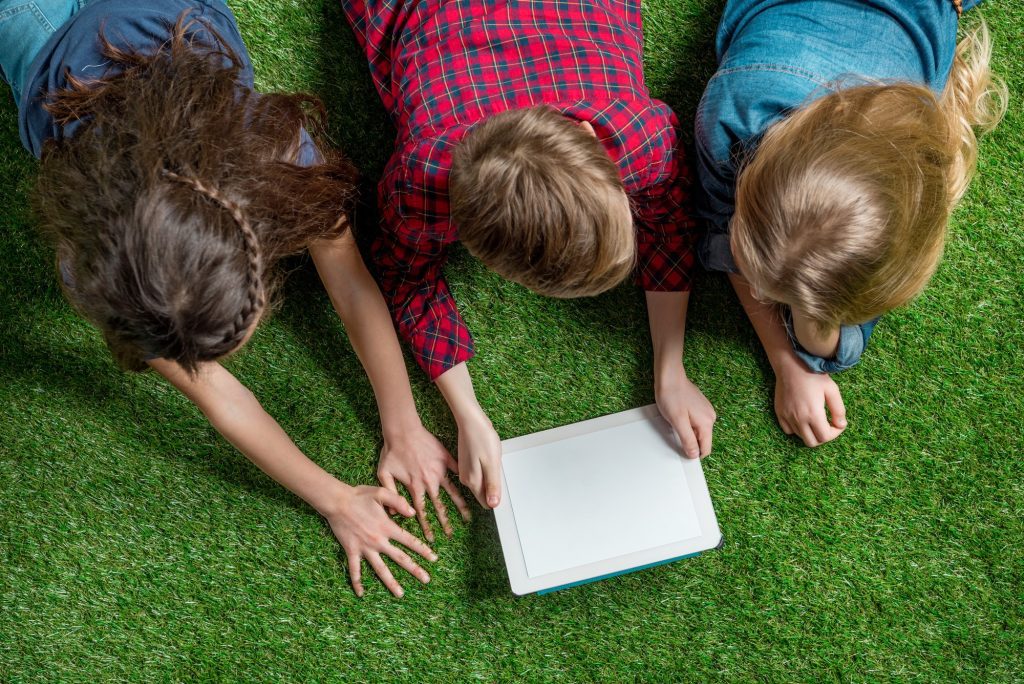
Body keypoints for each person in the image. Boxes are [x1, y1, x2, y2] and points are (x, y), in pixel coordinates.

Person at [1, 0, 470, 597]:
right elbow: (215, 394)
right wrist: (335, 499)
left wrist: (403, 423)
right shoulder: (102, 273)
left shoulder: (275, 152)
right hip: (43, 44)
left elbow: (349, 280)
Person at [342, 0, 716, 510]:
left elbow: (670, 221)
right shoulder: (421, 181)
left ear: (590, 140)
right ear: (465, 234)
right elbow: (403, 278)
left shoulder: (640, 134)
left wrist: (670, 368)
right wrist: (467, 414)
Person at [694, 0, 1006, 447]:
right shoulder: (731, 116)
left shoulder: (907, 166)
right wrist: (789, 357)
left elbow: (832, 331)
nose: (759, 294)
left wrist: (805, 333)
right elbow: (719, 229)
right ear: (750, 178)